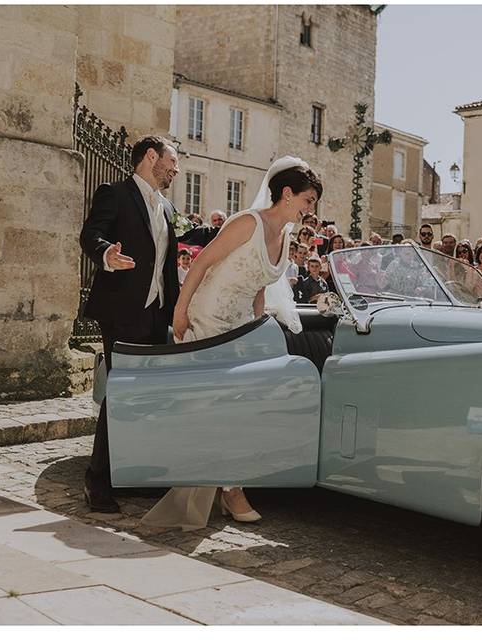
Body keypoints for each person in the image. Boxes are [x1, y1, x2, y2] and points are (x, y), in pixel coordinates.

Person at [141, 157, 322, 530]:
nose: (310, 209)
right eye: (307, 199)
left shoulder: (285, 236)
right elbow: (202, 262)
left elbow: (259, 286)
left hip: (241, 324)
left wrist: (257, 327)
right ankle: (231, 490)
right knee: (213, 406)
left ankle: (228, 485)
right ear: (286, 194)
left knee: (241, 406)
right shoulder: (247, 223)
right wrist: (180, 310)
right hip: (208, 317)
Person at [78, 134, 181, 513]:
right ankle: (97, 481)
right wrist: (106, 253)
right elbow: (90, 234)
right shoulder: (115, 192)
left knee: (147, 396)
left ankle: (135, 474)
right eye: (172, 160)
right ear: (150, 156)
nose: (176, 167)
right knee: (120, 393)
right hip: (122, 312)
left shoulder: (167, 207)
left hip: (157, 315)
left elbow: (180, 246)